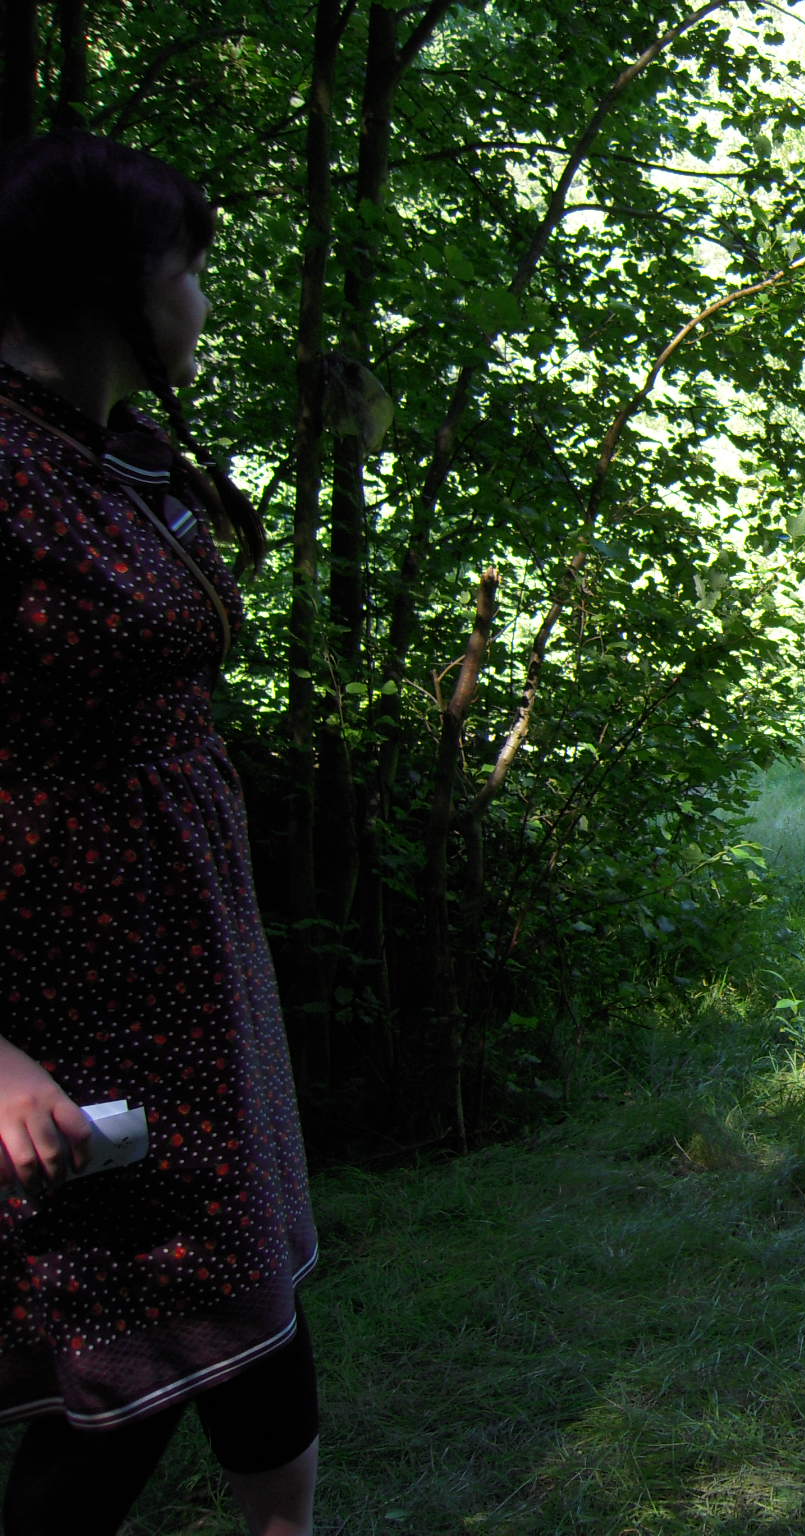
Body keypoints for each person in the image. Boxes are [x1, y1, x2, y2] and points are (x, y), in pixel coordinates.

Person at [0, 131, 318, 1536]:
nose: (203, 298)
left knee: (238, 1283)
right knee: (124, 1341)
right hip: (66, 1000)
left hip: (190, 974)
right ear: (109, 285)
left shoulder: (113, 452)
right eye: (188, 268)